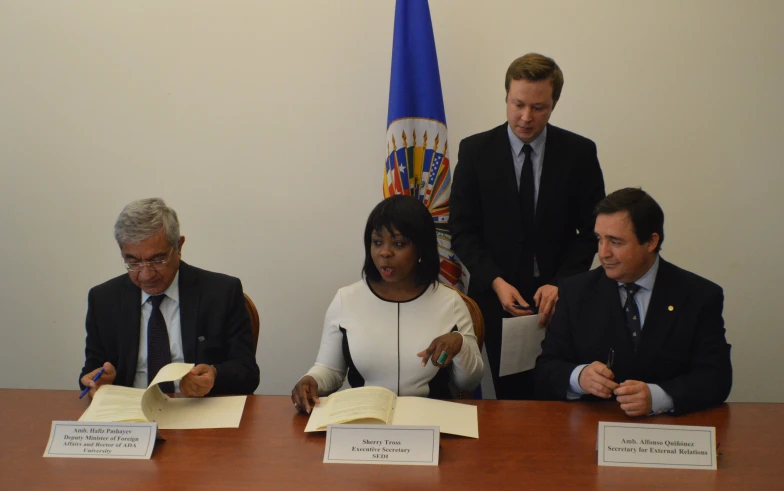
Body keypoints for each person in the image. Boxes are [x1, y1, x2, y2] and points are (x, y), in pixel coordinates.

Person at [450, 52, 605, 399]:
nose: (525, 117)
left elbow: (593, 232)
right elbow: (461, 230)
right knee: (511, 402)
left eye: (539, 108)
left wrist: (560, 283)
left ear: (554, 104)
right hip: (498, 297)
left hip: (560, 298)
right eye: (518, 104)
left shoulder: (579, 153)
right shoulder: (475, 151)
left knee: (561, 396)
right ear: (505, 96)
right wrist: (496, 281)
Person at [535, 188, 732, 416]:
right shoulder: (575, 292)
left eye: (615, 242)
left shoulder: (699, 295)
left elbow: (716, 378)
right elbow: (546, 370)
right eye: (599, 240)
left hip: (670, 433)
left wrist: (659, 397)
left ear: (650, 241)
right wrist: (579, 377)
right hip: (592, 429)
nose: (603, 253)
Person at [291, 195, 484, 413]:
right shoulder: (346, 299)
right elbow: (331, 370)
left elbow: (469, 383)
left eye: (399, 244)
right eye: (377, 242)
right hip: (365, 422)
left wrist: (460, 345)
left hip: (431, 422)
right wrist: (311, 380)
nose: (385, 252)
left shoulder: (451, 303)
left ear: (421, 248)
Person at [79, 198, 260, 398]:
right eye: (133, 262)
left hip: (198, 411)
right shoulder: (103, 300)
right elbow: (91, 372)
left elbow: (247, 373)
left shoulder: (222, 293)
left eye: (157, 260)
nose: (146, 275)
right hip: (130, 415)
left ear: (179, 246)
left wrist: (215, 375)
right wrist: (98, 381)